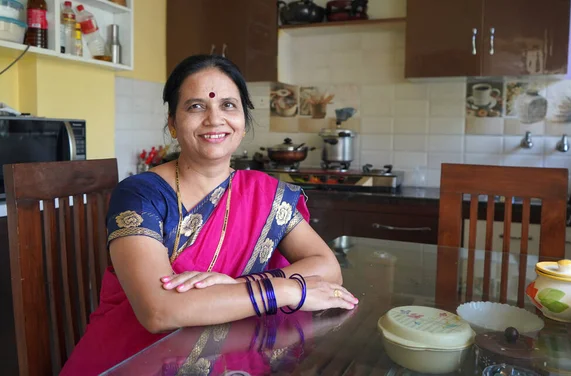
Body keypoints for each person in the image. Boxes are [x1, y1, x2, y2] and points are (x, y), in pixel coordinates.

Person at [60, 54, 358, 375]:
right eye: (196, 106)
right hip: (137, 357)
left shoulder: (265, 193)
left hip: (233, 352)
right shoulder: (141, 194)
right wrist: (284, 290)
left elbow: (328, 268)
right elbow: (158, 311)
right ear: (173, 123)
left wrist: (236, 285)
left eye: (228, 105)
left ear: (244, 123)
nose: (215, 119)